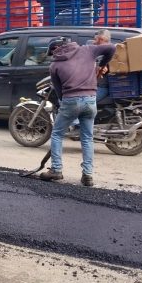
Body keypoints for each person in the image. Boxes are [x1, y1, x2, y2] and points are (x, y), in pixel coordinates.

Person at [40, 38, 115, 186]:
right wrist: (102, 64)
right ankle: (87, 175)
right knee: (87, 138)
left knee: (57, 134)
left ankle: (56, 170)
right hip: (90, 100)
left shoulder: (55, 65)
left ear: (55, 49)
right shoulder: (88, 50)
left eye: (52, 52)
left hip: (70, 100)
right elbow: (111, 48)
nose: (53, 55)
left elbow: (60, 92)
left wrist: (66, 107)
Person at [93, 29, 112, 102]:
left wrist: (107, 68)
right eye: (95, 39)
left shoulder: (111, 51)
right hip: (91, 85)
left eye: (99, 40)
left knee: (86, 103)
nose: (96, 42)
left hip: (102, 86)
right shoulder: (94, 49)